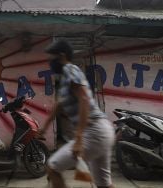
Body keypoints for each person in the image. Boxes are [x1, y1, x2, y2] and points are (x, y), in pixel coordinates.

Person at [39, 40, 115, 188]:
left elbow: (84, 99)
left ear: (61, 56)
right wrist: (44, 128)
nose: (49, 61)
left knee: (52, 167)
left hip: (94, 131)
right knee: (104, 184)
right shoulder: (64, 79)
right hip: (102, 130)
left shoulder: (69, 69)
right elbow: (58, 105)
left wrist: (79, 138)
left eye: (51, 57)